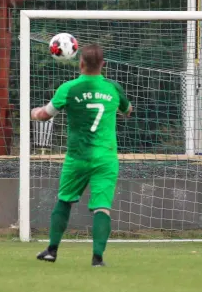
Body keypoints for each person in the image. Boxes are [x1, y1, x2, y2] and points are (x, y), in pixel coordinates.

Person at [31, 44, 133, 267]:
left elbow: (45, 115)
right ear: (103, 64)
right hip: (105, 158)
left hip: (77, 157)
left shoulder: (68, 88)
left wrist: (33, 113)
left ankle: (52, 250)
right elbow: (128, 111)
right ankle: (97, 258)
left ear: (81, 63)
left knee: (65, 200)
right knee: (102, 207)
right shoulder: (113, 88)